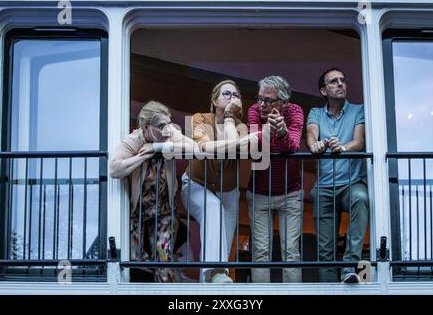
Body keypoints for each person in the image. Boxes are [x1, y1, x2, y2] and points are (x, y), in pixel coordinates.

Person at [109, 100, 198, 283]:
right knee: (133, 259)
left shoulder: (169, 134)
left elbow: (194, 149)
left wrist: (157, 147)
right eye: (161, 126)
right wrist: (144, 155)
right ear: (146, 127)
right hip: (137, 213)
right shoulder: (134, 140)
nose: (167, 130)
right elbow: (114, 169)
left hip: (164, 211)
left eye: (168, 124)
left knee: (163, 258)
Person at [180, 79, 249, 283]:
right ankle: (217, 272)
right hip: (195, 185)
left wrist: (229, 119)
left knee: (220, 247)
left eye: (236, 95)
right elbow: (204, 148)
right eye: (227, 94)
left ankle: (211, 285)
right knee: (212, 206)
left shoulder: (242, 128)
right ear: (214, 99)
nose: (232, 98)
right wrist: (232, 142)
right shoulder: (200, 119)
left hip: (228, 193)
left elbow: (238, 150)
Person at [306, 68, 369, 283]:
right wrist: (316, 144)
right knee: (325, 249)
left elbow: (359, 141)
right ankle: (328, 286)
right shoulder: (315, 112)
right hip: (324, 186)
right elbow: (311, 134)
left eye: (343, 80)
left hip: (352, 183)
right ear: (324, 90)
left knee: (361, 198)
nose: (340, 84)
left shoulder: (358, 110)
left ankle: (350, 267)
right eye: (334, 81)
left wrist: (341, 148)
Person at [246, 75, 304, 283]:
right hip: (259, 193)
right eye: (260, 98)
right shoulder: (254, 110)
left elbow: (293, 147)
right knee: (260, 251)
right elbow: (255, 146)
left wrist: (282, 132)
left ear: (284, 102)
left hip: (291, 193)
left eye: (268, 101)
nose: (262, 104)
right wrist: (270, 130)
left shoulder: (294, 111)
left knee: (291, 251)